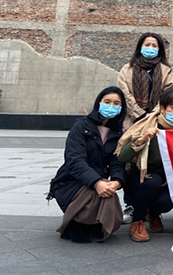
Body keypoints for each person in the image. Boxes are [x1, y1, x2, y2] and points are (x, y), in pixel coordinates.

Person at [48, 87, 126, 243]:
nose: (111, 106)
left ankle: (91, 223)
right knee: (99, 189)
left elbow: (117, 162)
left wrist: (117, 181)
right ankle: (75, 222)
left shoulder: (118, 132)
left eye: (116, 103)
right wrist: (96, 182)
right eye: (107, 102)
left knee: (108, 191)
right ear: (99, 103)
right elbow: (75, 160)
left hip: (98, 179)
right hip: (70, 181)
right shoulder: (81, 126)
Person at [116, 87, 173, 242]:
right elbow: (122, 157)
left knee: (169, 199)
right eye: (172, 108)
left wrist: (171, 177)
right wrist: (141, 140)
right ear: (162, 109)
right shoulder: (148, 125)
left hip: (168, 180)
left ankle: (153, 212)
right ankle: (137, 221)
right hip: (140, 179)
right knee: (153, 181)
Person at [118, 32, 173, 130]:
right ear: (140, 47)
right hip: (131, 120)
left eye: (154, 46)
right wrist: (141, 114)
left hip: (157, 121)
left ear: (159, 49)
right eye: (147, 45)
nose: (150, 48)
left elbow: (169, 93)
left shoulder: (166, 71)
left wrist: (153, 114)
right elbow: (124, 93)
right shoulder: (127, 69)